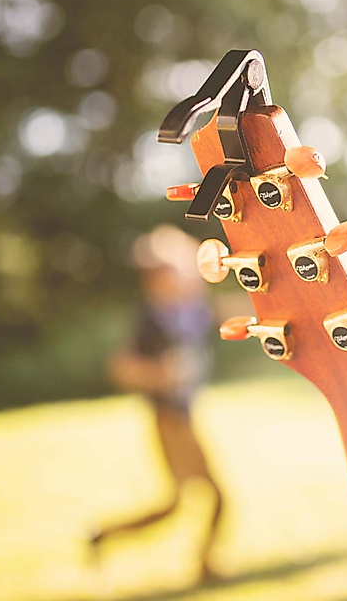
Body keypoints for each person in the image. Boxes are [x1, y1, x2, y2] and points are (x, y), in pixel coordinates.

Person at [90, 227, 223, 581]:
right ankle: (205, 565)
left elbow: (218, 308)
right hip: (169, 418)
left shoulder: (188, 310)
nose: (190, 277)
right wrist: (159, 375)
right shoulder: (149, 319)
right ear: (156, 279)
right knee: (209, 498)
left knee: (180, 503)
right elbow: (120, 367)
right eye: (178, 271)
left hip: (183, 415)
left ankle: (104, 534)